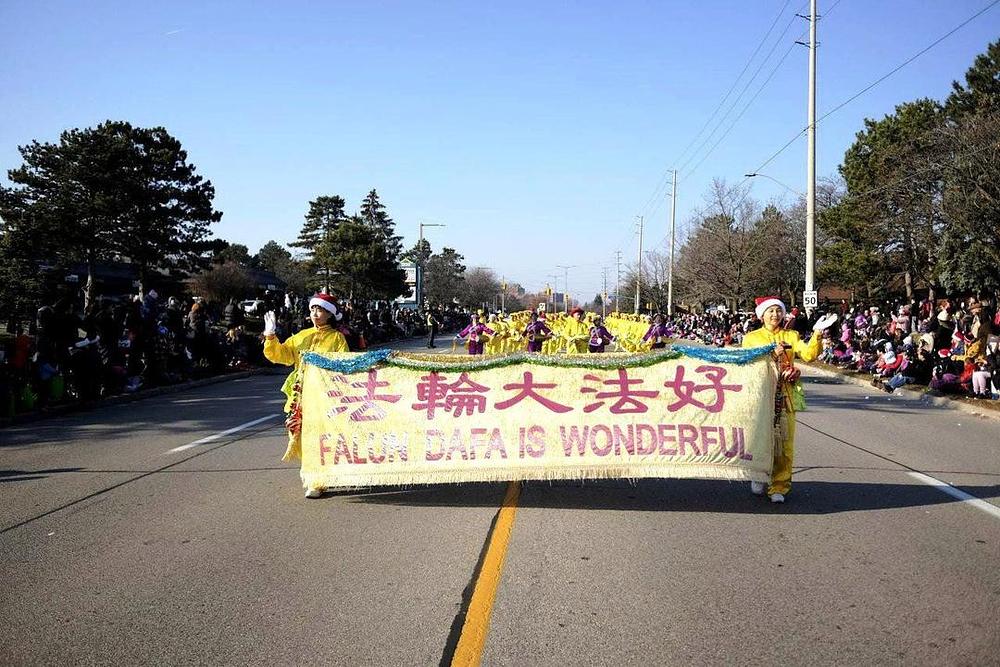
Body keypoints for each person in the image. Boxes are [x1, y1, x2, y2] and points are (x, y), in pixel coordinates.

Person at [741, 296, 833, 503]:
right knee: (759, 439)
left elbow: (808, 355)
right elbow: (747, 364)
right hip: (761, 396)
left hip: (785, 396)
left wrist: (817, 334)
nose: (775, 315)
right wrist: (772, 355)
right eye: (770, 311)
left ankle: (779, 486)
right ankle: (759, 474)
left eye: (778, 311)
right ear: (762, 315)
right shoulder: (751, 338)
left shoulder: (791, 335)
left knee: (784, 444)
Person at [263, 293, 349, 499]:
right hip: (301, 396)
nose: (315, 314)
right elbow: (281, 355)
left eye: (320, 310)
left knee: (322, 437)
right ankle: (313, 477)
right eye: (313, 309)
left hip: (325, 396)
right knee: (302, 436)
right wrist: (270, 336)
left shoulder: (337, 338)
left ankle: (318, 480)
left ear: (330, 314)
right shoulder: (301, 336)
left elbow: (343, 366)